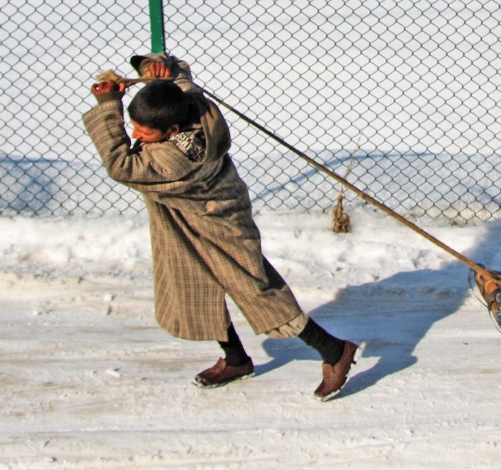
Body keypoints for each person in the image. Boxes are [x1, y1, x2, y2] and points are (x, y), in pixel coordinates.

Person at [84, 51, 358, 399]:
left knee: (255, 288)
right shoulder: (193, 104)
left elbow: (121, 165)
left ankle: (334, 350)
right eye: (133, 127)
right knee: (194, 284)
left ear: (172, 130)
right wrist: (153, 69)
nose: (136, 135)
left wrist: (109, 105)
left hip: (219, 223)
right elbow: (178, 75)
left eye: (143, 131)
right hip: (185, 222)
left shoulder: (171, 160)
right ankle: (236, 360)